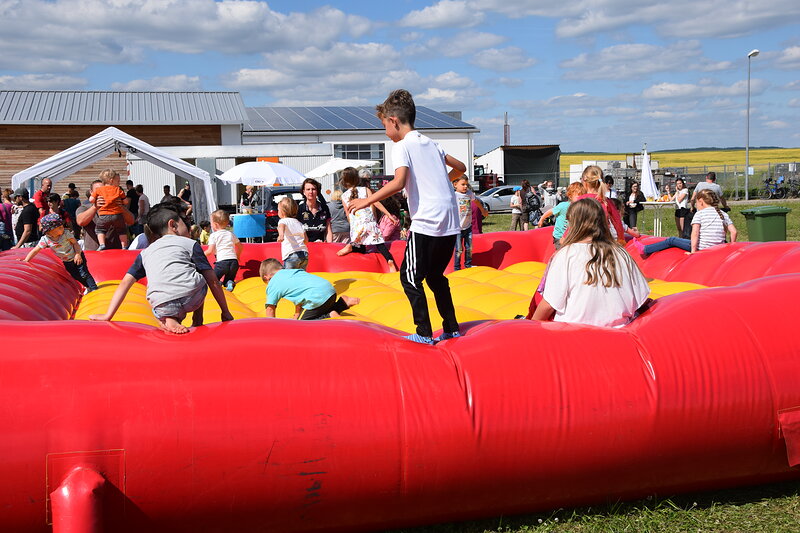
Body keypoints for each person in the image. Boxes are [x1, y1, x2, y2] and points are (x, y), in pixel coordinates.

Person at [345, 88, 465, 345]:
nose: (385, 132)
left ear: (394, 121)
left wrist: (367, 200)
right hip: (449, 221)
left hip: (427, 221)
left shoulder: (402, 145)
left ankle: (423, 333)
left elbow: (399, 182)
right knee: (435, 276)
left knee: (409, 277)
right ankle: (451, 328)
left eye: (384, 126)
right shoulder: (431, 143)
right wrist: (441, 181)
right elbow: (461, 168)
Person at [89, 203, 234, 334]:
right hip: (192, 298)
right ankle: (197, 318)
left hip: (162, 305)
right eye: (185, 223)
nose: (189, 227)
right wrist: (225, 312)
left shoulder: (145, 253)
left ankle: (168, 318)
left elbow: (125, 283)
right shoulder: (190, 244)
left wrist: (108, 315)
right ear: (173, 225)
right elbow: (213, 280)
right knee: (200, 275)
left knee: (158, 299)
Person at [531, 198, 650, 327]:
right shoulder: (621, 253)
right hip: (619, 333)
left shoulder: (566, 255)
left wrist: (530, 327)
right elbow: (641, 299)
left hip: (575, 333)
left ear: (574, 224)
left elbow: (549, 304)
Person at [632, 189, 737, 257]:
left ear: (701, 202)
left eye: (696, 202)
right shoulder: (722, 213)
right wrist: (730, 247)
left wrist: (693, 252)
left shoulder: (700, 214)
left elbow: (695, 233)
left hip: (703, 247)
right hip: (719, 248)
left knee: (671, 240)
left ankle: (646, 249)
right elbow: (734, 232)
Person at [336, 167, 399, 272]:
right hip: (370, 222)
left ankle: (351, 246)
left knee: (361, 247)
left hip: (357, 225)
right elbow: (376, 202)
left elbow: (348, 214)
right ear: (358, 179)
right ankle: (389, 260)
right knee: (380, 245)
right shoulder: (365, 190)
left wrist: (353, 228)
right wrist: (388, 214)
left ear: (344, 182)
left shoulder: (344, 196)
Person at [260, 258, 360, 320]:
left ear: (266, 277)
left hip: (316, 297)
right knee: (317, 310)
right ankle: (342, 303)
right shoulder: (292, 272)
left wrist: (271, 327)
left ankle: (329, 316)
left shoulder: (273, 283)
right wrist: (297, 315)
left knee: (302, 324)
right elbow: (299, 299)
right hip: (330, 292)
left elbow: (270, 309)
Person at [21, 213, 98, 292]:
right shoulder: (45, 240)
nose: (63, 228)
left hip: (76, 256)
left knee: (84, 274)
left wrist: (78, 254)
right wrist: (26, 260)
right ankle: (88, 287)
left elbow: (75, 243)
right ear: (50, 230)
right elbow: (35, 250)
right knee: (75, 276)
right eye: (60, 227)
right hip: (67, 261)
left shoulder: (65, 234)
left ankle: (94, 288)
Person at [576, 165, 626, 244]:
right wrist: (621, 239)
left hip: (582, 240)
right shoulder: (606, 201)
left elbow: (573, 223)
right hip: (603, 241)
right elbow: (617, 222)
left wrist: (564, 238)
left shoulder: (579, 201)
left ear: (584, 181)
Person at [76, 180, 125, 251]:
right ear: (91, 192)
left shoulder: (117, 207)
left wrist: (121, 207)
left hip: (115, 251)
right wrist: (95, 207)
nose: (102, 193)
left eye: (104, 190)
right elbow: (81, 222)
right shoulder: (84, 208)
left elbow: (131, 221)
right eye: (98, 190)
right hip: (93, 253)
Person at [453, 176, 488, 270]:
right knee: (459, 250)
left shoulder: (469, 193)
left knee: (469, 248)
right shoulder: (454, 195)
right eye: (463, 184)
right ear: (455, 184)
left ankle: (468, 265)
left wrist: (483, 210)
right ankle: (457, 267)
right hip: (457, 228)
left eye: (466, 185)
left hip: (468, 227)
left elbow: (476, 201)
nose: (465, 187)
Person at [89, 169, 129, 250]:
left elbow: (91, 200)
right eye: (118, 181)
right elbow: (126, 201)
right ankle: (124, 246)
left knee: (100, 230)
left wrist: (96, 201)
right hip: (117, 215)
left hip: (104, 215)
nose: (119, 183)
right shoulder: (118, 190)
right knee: (122, 231)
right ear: (111, 180)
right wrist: (121, 201)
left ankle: (102, 244)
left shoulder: (99, 190)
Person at [538, 182, 586, 250]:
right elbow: (551, 211)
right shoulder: (563, 206)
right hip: (559, 236)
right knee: (561, 253)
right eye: (578, 196)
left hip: (572, 237)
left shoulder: (582, 208)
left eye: (583, 196)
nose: (581, 198)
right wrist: (542, 219)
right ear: (570, 195)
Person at [204, 210, 242, 291]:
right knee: (229, 278)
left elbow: (210, 251)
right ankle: (229, 283)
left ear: (215, 224)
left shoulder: (213, 235)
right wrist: (237, 256)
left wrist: (201, 255)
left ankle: (218, 283)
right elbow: (240, 246)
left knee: (213, 280)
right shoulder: (231, 234)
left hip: (222, 263)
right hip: (234, 262)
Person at [277, 197, 309, 270]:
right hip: (304, 254)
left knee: (289, 276)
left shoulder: (283, 221)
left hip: (292, 254)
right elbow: (306, 240)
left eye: (278, 210)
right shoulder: (299, 223)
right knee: (300, 275)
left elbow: (281, 226)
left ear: (283, 212)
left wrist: (281, 235)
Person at [296, 178, 332, 242]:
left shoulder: (324, 208)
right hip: (304, 247)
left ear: (317, 191)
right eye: (308, 189)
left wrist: (330, 245)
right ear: (304, 192)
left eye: (313, 189)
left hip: (321, 247)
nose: (311, 192)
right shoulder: (299, 209)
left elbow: (328, 231)